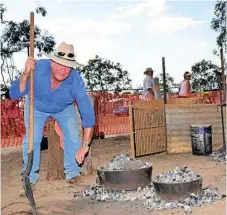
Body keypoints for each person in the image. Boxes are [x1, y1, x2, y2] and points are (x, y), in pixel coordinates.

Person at [9, 42, 95, 189]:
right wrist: (25, 74)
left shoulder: (76, 80)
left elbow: (88, 116)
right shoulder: (37, 68)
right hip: (36, 106)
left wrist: (85, 146)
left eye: (68, 66)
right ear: (52, 62)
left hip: (64, 108)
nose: (63, 70)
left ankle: (73, 173)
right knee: (33, 138)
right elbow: (15, 93)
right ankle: (29, 176)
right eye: (60, 64)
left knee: (74, 136)